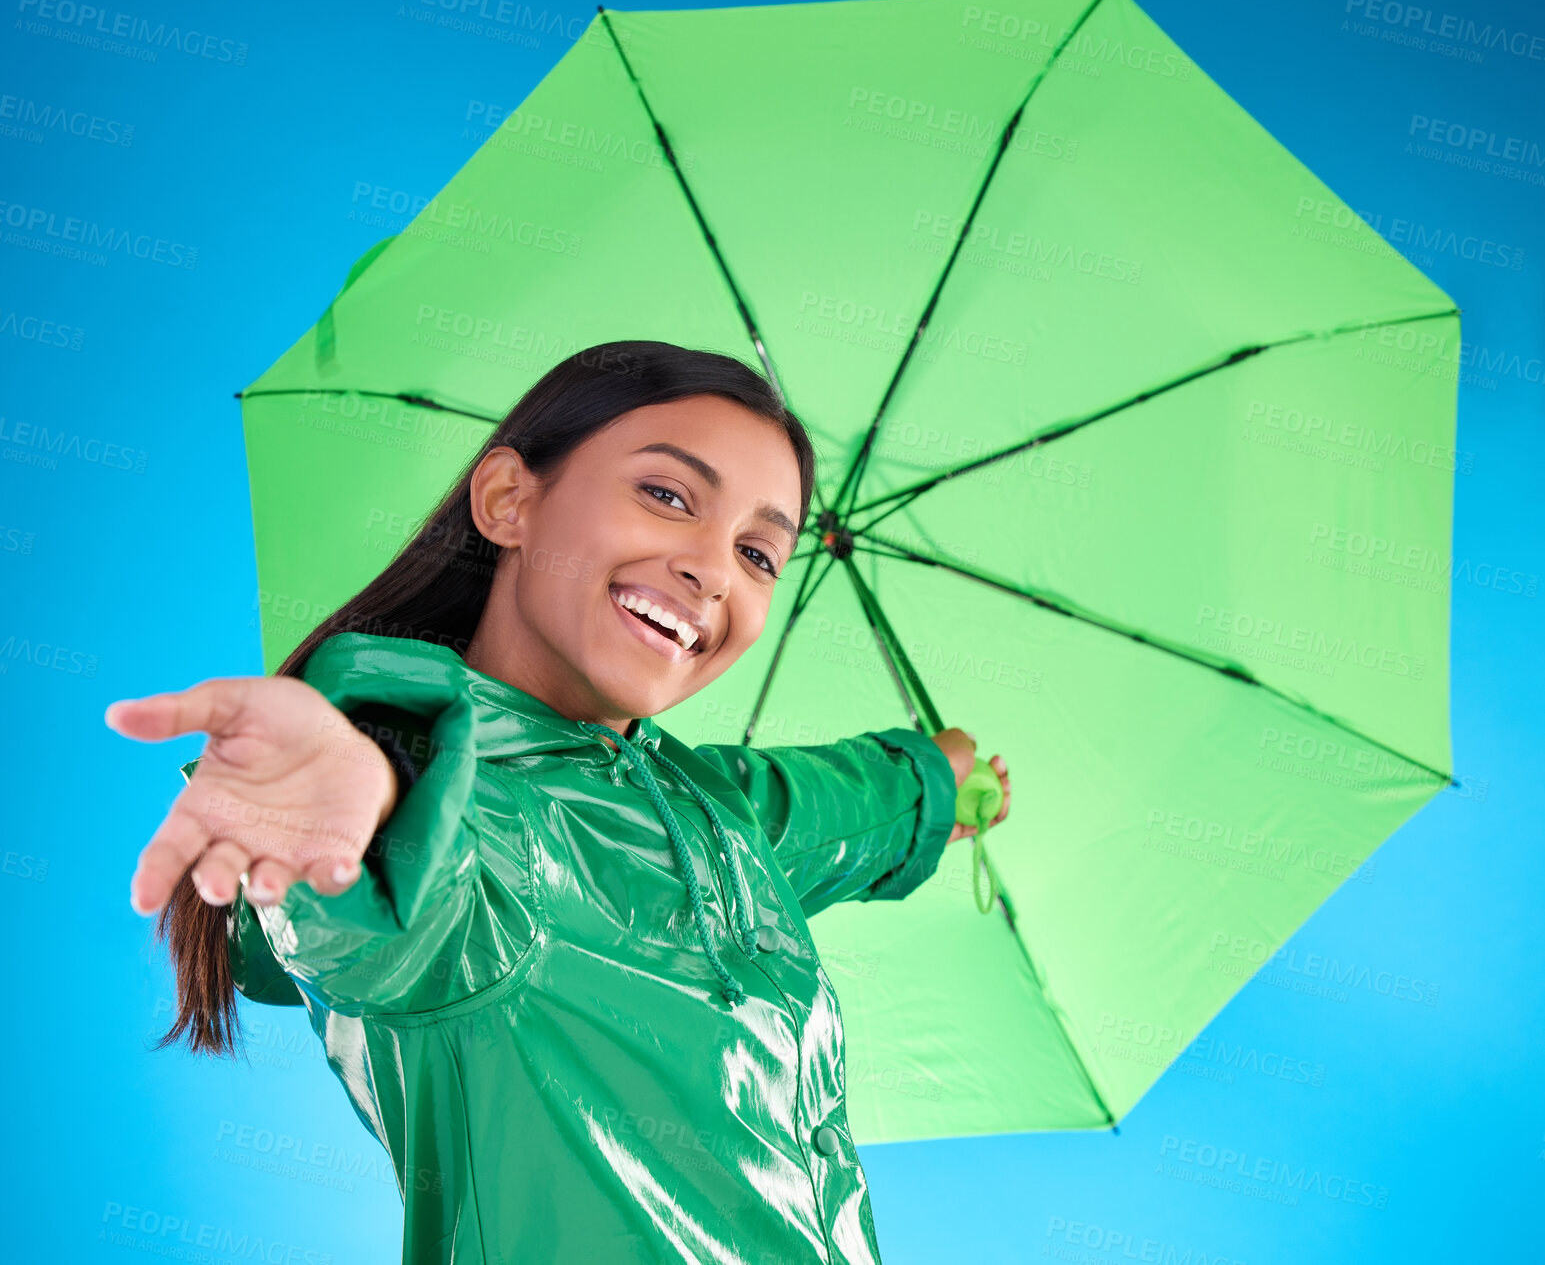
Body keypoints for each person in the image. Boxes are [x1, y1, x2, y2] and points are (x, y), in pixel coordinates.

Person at [108, 340, 1012, 1265]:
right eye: (667, 495)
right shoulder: (477, 834)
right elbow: (381, 895)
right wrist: (340, 786)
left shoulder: (713, 811)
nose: (713, 569)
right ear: (509, 499)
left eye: (757, 551)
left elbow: (828, 807)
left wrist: (938, 780)